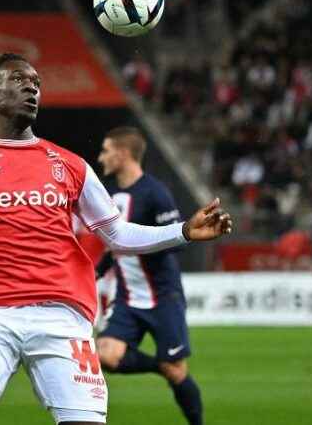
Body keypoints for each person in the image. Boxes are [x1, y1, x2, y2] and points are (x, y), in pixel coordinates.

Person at [0, 53, 232, 425]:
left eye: (36, 83)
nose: (31, 88)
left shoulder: (69, 163)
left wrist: (182, 231)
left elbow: (116, 233)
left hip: (64, 316)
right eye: (18, 80)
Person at [93, 127, 203, 425]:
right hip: (128, 297)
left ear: (124, 153)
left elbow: (174, 244)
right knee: (106, 355)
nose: (101, 157)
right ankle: (160, 365)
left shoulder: (156, 193)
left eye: (106, 150)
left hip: (163, 296)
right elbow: (116, 244)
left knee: (177, 371)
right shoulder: (109, 196)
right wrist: (96, 273)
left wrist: (139, 241)